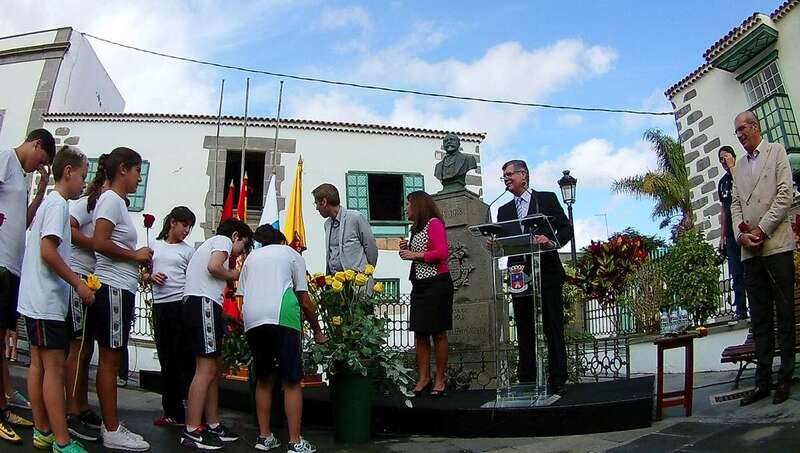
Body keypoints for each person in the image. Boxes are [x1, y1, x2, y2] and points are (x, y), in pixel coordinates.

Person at [18, 146, 93, 452]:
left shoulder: (50, 203)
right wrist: (78, 284)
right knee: (54, 368)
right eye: (83, 177)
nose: (84, 183)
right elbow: (48, 251)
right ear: (69, 172)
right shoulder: (59, 205)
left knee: (39, 365)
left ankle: (43, 430)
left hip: (34, 298)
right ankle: (62, 440)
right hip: (46, 300)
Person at [239, 225, 326, 453]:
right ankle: (295, 441)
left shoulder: (251, 258)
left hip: (253, 318)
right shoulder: (291, 254)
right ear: (282, 240)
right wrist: (317, 330)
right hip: (282, 316)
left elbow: (241, 295)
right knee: (291, 381)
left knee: (264, 378)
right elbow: (304, 299)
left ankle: (265, 437)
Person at [730, 111, 796, 406]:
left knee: (785, 314)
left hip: (777, 246)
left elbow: (785, 195)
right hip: (750, 253)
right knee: (760, 319)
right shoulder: (739, 167)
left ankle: (785, 378)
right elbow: (734, 205)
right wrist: (740, 235)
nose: (739, 135)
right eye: (736, 132)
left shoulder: (776, 151)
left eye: (742, 129)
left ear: (755, 126)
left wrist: (762, 229)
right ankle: (763, 381)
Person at [90, 147, 152, 450]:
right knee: (111, 360)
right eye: (138, 171)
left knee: (113, 358)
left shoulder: (117, 203)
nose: (140, 178)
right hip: (112, 288)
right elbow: (99, 242)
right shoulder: (112, 200)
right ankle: (112, 429)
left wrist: (137, 262)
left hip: (121, 287)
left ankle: (111, 423)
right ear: (124, 169)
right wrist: (134, 255)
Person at [495, 160, 573, 396]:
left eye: (509, 174)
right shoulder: (503, 210)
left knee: (553, 327)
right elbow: (504, 242)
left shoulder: (546, 199)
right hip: (518, 275)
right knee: (524, 327)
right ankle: (527, 377)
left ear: (524, 176)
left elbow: (566, 228)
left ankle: (558, 378)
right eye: (504, 176)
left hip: (547, 272)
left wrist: (551, 242)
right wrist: (494, 244)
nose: (506, 179)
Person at [0, 128, 55, 444]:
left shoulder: (21, 178)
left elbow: (24, 221)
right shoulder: (6, 159)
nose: (39, 167)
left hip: (12, 264)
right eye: (41, 160)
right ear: (36, 144)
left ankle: (4, 405)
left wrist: (41, 189)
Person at [180, 219, 252, 450]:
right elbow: (214, 267)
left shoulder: (210, 244)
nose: (239, 252)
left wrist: (225, 317)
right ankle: (192, 429)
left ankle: (213, 424)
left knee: (212, 368)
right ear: (235, 236)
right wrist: (234, 274)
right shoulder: (222, 241)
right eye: (243, 245)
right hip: (203, 304)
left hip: (204, 305)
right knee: (205, 369)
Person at [64, 154, 108, 442]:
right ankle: (70, 410)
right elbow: (69, 227)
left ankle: (81, 404)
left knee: (86, 348)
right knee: (78, 346)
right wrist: (97, 244)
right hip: (79, 274)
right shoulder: (86, 204)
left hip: (93, 279)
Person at [399, 191, 454, 397]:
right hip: (420, 285)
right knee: (420, 332)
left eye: (408, 204)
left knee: (438, 333)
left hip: (437, 284)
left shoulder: (435, 224)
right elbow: (420, 252)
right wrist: (407, 248)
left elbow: (441, 253)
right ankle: (423, 378)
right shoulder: (416, 229)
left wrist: (414, 254)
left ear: (418, 205)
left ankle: (440, 379)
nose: (406, 208)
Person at [148, 206, 196, 426]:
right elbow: (143, 272)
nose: (187, 230)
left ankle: (190, 408)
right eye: (184, 225)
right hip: (160, 306)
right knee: (166, 359)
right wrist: (150, 277)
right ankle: (172, 411)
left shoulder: (188, 252)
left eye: (190, 227)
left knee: (183, 359)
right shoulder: (154, 246)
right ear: (172, 223)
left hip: (180, 305)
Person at [312, 183, 378, 277]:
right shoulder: (327, 225)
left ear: (324, 202)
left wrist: (366, 274)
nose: (317, 208)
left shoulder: (355, 218)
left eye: (316, 203)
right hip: (335, 282)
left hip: (357, 281)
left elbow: (371, 247)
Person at [717, 145, 748, 320]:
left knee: (751, 270)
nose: (724, 161)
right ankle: (741, 310)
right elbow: (723, 210)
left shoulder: (743, 172)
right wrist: (722, 236)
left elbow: (745, 192)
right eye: (721, 159)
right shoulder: (722, 183)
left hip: (745, 228)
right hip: (730, 234)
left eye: (726, 157)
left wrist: (733, 169)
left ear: (733, 156)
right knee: (736, 273)